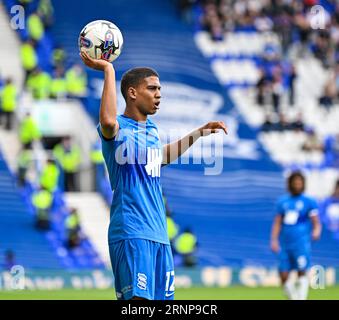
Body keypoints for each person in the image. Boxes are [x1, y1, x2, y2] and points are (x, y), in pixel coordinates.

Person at [80, 50, 228, 300]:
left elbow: (162, 157)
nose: (158, 95)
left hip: (158, 235)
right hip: (132, 231)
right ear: (132, 93)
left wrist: (199, 133)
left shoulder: (150, 129)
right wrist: (108, 70)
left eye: (160, 89)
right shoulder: (117, 129)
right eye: (152, 89)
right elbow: (106, 121)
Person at [270, 171, 322, 300]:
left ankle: (301, 298)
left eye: (300, 182)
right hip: (285, 243)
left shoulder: (309, 201)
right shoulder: (282, 202)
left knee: (302, 270)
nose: (297, 184)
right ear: (290, 184)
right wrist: (274, 240)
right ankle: (293, 297)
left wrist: (316, 231)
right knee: (283, 274)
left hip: (301, 242)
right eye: (295, 182)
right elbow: (277, 222)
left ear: (303, 184)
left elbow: (316, 221)